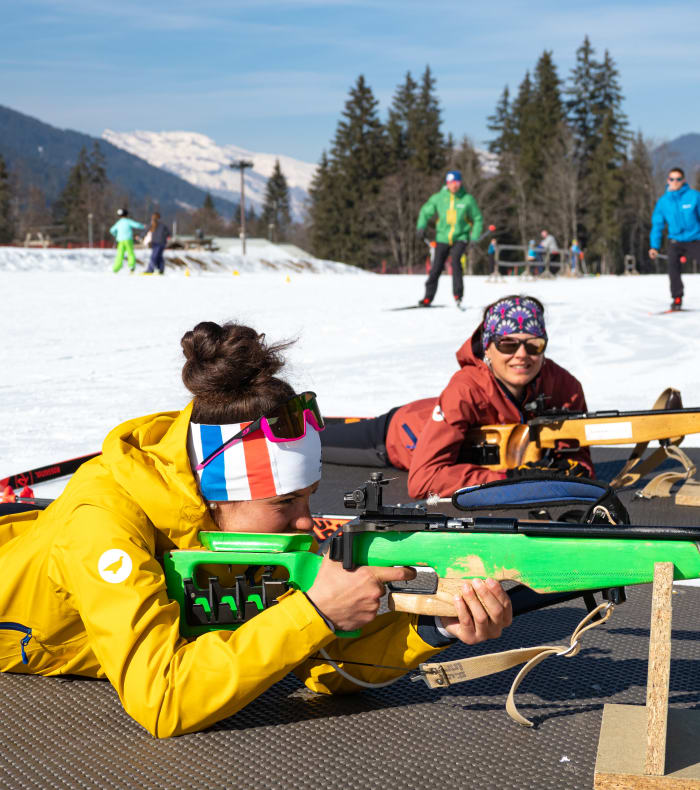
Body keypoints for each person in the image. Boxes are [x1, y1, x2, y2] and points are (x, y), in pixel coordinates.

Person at [0, 321, 511, 737]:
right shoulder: (102, 524)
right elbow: (161, 698)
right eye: (284, 502)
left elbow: (317, 664)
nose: (308, 521)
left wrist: (437, 625)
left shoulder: (240, 525)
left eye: (308, 496)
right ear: (214, 495)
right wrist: (312, 611)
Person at [321, 295, 593, 498]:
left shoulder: (566, 389)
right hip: (394, 436)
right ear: (488, 349)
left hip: (434, 414)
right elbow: (424, 481)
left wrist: (572, 472)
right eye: (508, 344)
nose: (521, 354)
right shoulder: (464, 389)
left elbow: (580, 459)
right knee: (314, 442)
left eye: (533, 345)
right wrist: (509, 479)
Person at [416, 170, 483, 308]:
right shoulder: (439, 198)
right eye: (451, 183)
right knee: (436, 267)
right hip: (443, 237)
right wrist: (421, 226)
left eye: (457, 182)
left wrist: (474, 236)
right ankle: (428, 297)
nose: (454, 186)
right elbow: (425, 211)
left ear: (460, 183)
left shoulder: (467, 199)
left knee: (456, 262)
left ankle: (458, 295)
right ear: (447, 183)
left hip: (461, 237)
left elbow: (477, 218)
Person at [649, 167, 700, 311]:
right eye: (672, 179)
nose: (675, 182)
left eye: (678, 179)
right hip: (675, 241)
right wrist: (654, 247)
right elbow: (657, 225)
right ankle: (677, 298)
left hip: (695, 238)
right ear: (668, 180)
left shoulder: (694, 196)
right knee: (673, 267)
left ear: (683, 180)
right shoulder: (663, 202)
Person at [110, 208, 146, 274]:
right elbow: (137, 225)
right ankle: (131, 266)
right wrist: (143, 226)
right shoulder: (128, 221)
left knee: (120, 254)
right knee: (130, 253)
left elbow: (112, 230)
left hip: (120, 240)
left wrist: (116, 235)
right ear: (126, 215)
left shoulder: (118, 223)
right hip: (128, 239)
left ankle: (116, 268)